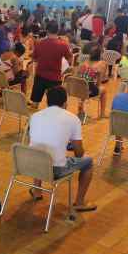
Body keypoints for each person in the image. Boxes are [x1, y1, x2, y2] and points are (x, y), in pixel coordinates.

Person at [28, 87, 96, 215]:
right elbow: (79, 153)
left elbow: (34, 140)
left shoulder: (34, 116)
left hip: (30, 165)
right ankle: (79, 203)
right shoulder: (73, 119)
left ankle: (37, 191)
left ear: (47, 102)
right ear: (65, 103)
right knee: (88, 162)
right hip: (55, 170)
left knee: (40, 151)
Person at [30, 21, 68, 105]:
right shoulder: (63, 44)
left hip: (40, 76)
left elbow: (34, 58)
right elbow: (69, 58)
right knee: (54, 105)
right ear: (57, 31)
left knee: (34, 103)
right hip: (55, 78)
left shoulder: (39, 43)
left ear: (47, 30)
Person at [74, 46, 108, 119]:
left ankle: (81, 112)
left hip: (78, 90)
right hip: (89, 91)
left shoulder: (83, 63)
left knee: (84, 88)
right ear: (100, 55)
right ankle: (102, 114)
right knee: (104, 90)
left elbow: (77, 75)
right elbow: (98, 83)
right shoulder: (101, 64)